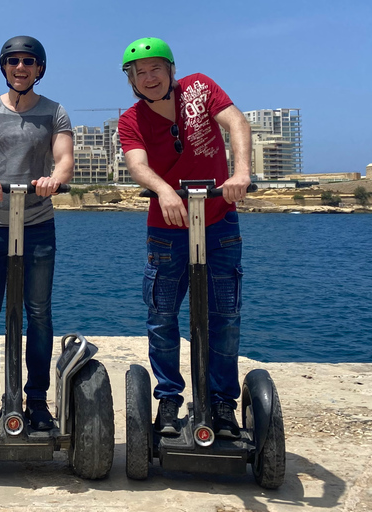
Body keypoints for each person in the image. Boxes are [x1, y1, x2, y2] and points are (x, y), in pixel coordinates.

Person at [117, 38, 252, 438]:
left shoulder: (199, 87)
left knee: (224, 317)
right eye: (139, 73)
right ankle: (170, 400)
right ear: (132, 81)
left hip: (219, 221)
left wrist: (240, 173)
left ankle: (222, 403)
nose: (149, 77)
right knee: (162, 318)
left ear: (172, 70)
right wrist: (162, 190)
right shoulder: (131, 120)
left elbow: (236, 123)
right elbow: (137, 164)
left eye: (156, 68)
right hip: (166, 230)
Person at [0, 35, 74, 430]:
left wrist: (54, 180)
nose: (20, 67)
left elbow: (64, 160)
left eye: (28, 61)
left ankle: (37, 399)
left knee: (38, 313)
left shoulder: (55, 112)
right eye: (13, 61)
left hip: (38, 223)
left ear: (39, 68)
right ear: (4, 66)